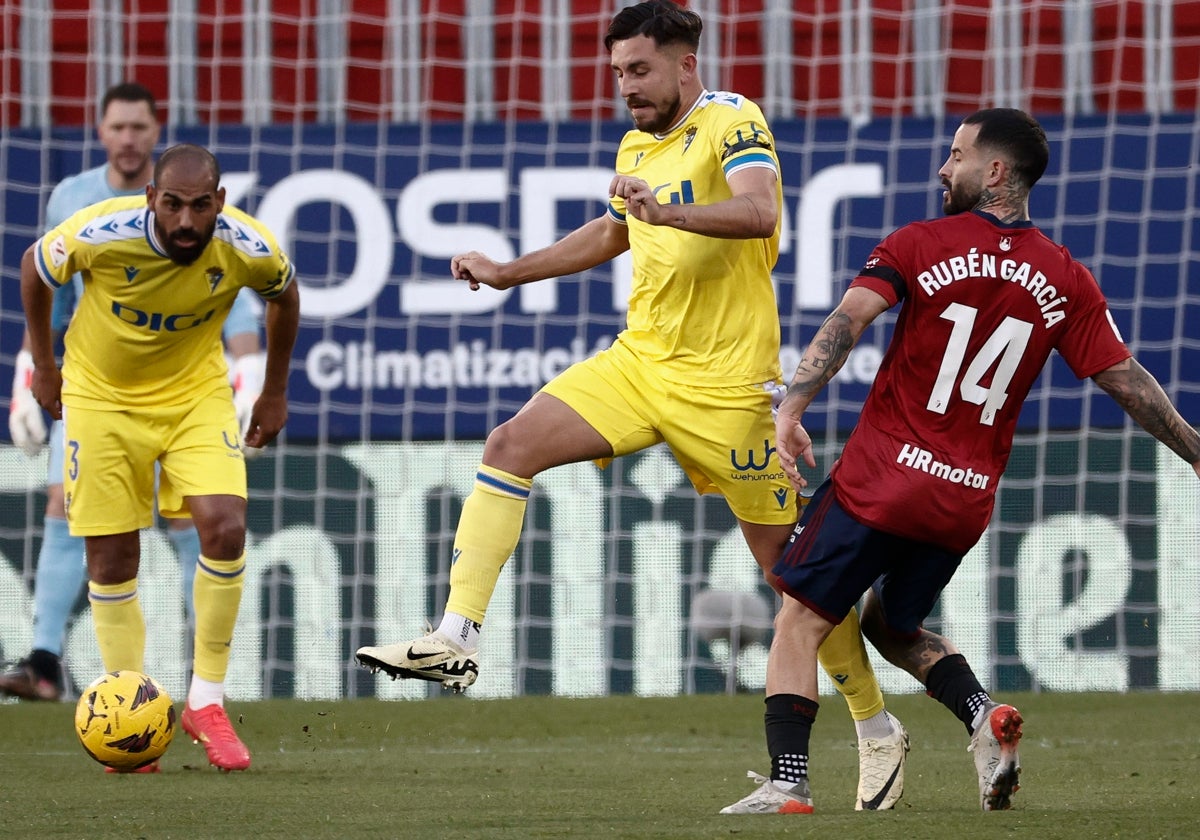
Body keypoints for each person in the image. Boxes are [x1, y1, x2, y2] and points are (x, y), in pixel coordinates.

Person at [356, 0, 908, 811]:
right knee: (510, 444)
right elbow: (614, 231)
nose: (625, 86)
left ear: (686, 64)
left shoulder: (732, 120)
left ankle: (875, 726)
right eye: (617, 72)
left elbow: (759, 211)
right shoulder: (637, 144)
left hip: (728, 392)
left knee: (793, 580)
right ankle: (456, 638)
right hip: (641, 363)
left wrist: (667, 210)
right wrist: (510, 272)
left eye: (639, 70)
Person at [722, 107, 1200, 814]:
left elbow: (847, 321)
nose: (944, 168)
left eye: (957, 155)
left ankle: (789, 781)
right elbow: (1125, 381)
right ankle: (983, 718)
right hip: (963, 499)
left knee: (799, 614)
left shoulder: (919, 243)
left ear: (996, 172)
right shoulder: (1066, 277)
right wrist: (1194, 452)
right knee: (892, 626)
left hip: (881, 480)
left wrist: (791, 406)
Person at [20, 143, 300, 772]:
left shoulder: (247, 245)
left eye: (200, 206)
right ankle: (129, 711)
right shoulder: (103, 232)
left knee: (225, 527)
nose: (184, 221)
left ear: (219, 204)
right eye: (171, 204)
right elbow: (35, 268)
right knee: (113, 554)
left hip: (195, 396)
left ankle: (206, 701)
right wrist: (43, 364)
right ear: (150, 199)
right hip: (99, 398)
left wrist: (275, 389)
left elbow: (286, 297)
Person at [2, 82, 267, 703]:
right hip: (95, 383)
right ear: (101, 133)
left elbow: (233, 297)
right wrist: (31, 372)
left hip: (184, 387)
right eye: (117, 127)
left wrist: (251, 378)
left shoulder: (195, 210)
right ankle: (45, 661)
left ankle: (204, 683)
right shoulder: (75, 200)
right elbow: (52, 287)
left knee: (197, 524)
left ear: (155, 134)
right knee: (66, 511)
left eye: (138, 128)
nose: (128, 138)